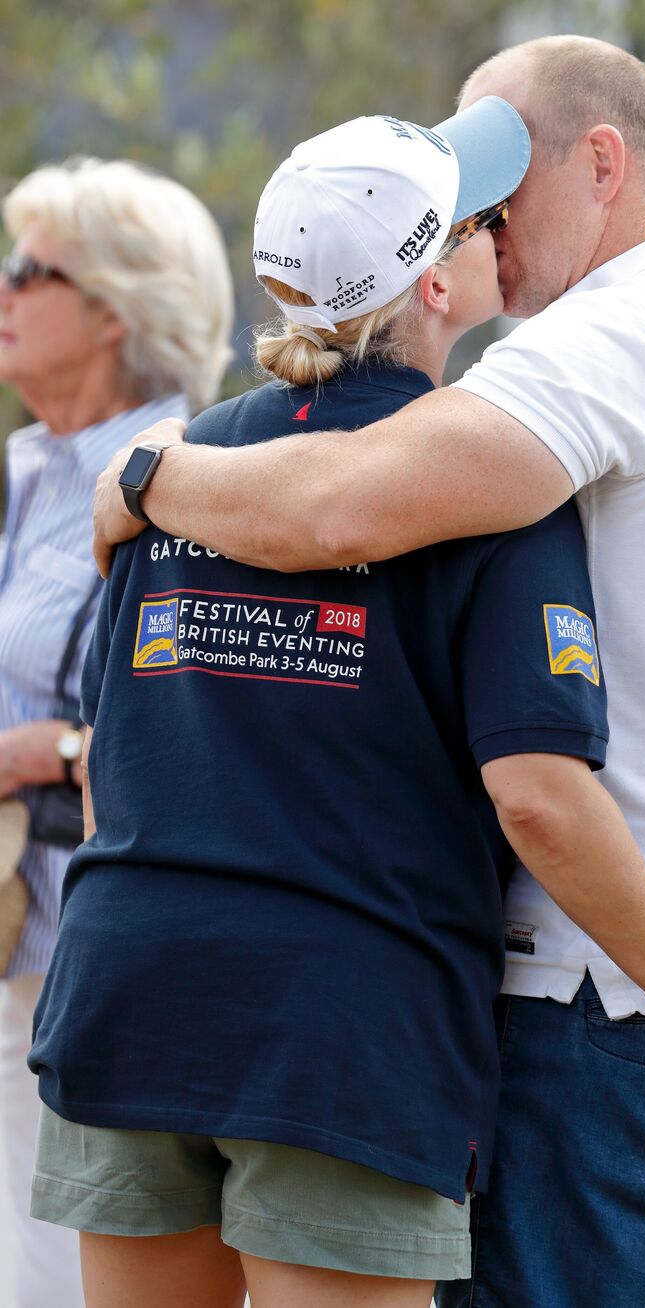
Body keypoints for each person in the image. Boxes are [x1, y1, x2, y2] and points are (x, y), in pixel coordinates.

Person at [89, 33, 645, 1308]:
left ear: (605, 161)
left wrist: (148, 474)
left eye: (499, 186)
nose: (478, 221)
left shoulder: (602, 348)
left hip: (623, 999)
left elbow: (346, 504)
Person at [0, 155, 233, 1308]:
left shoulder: (191, 481)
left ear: (114, 309)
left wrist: (43, 752)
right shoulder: (27, 469)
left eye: (23, 269)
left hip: (86, 967)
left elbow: (212, 739)